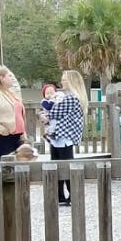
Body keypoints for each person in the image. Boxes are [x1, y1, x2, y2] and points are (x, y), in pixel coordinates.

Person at [40, 69, 87, 206]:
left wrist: (44, 115)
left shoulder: (71, 97)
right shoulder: (68, 96)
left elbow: (55, 112)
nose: (62, 82)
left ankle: (72, 195)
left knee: (64, 167)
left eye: (64, 79)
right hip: (59, 137)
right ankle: (60, 195)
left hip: (64, 136)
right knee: (58, 165)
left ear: (72, 81)